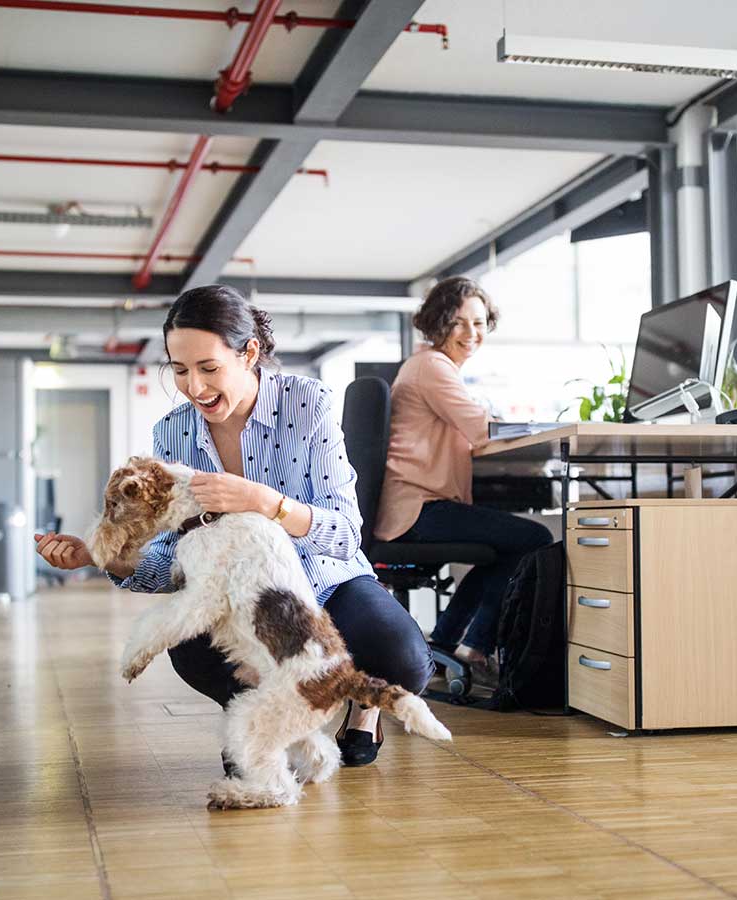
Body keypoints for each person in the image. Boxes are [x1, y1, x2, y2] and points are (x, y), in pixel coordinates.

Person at [35, 284, 431, 768]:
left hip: (326, 579)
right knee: (191, 650)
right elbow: (170, 563)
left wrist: (266, 502)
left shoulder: (307, 405)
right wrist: (105, 555)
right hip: (241, 597)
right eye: (179, 370)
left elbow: (346, 533)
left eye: (209, 368)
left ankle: (362, 710)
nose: (194, 387)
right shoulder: (172, 433)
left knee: (402, 658)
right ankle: (257, 718)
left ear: (249, 353)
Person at [374, 276, 552, 685]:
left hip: (418, 506)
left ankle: (449, 642)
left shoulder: (429, 367)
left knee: (502, 549)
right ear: (438, 324)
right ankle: (475, 645)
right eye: (459, 323)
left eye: (479, 323)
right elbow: (480, 428)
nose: (471, 334)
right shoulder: (432, 366)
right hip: (420, 508)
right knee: (536, 539)